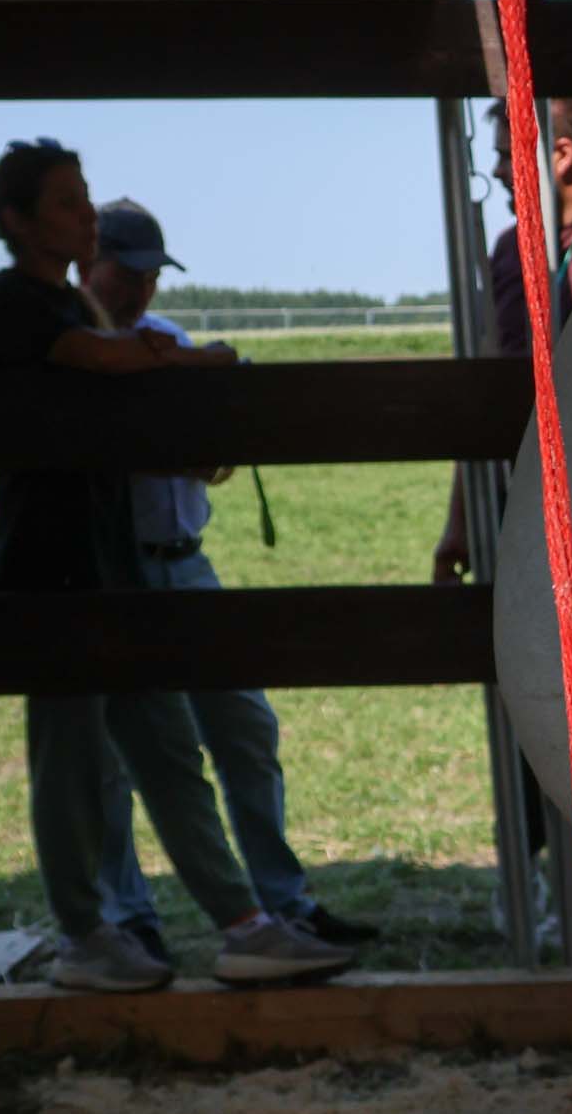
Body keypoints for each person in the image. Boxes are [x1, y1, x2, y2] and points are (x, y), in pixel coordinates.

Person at [0, 143, 340, 991]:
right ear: (16, 220)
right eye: (64, 203)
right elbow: (109, 361)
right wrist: (199, 362)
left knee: (163, 747)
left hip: (106, 562)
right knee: (73, 760)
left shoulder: (61, 302)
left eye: (84, 200)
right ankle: (86, 934)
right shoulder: (13, 304)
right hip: (46, 566)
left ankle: (243, 924)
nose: (84, 216)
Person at [82, 198, 375, 970]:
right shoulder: (83, 352)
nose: (143, 291)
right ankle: (131, 915)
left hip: (184, 557)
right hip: (123, 569)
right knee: (124, 753)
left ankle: (284, 900)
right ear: (96, 263)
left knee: (242, 727)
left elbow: (213, 453)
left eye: (150, 277)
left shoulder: (164, 343)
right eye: (132, 274)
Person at [434, 97, 572, 582]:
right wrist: (458, 524)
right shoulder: (508, 251)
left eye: (508, 155)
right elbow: (485, 383)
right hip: (521, 498)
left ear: (563, 155)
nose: (498, 171)